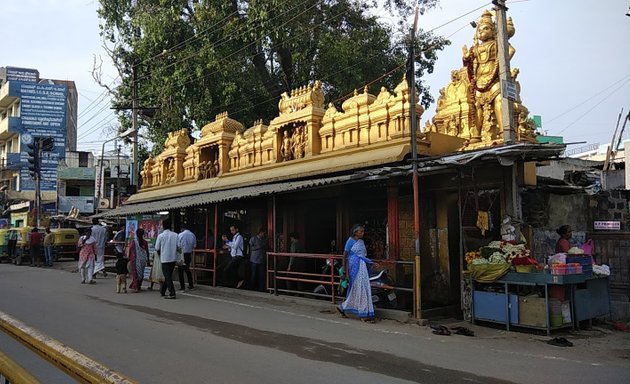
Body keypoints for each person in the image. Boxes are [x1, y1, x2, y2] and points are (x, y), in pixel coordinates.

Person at [337, 224, 376, 323]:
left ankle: (343, 307)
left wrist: (370, 263)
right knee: (359, 288)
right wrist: (345, 270)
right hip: (354, 267)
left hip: (362, 267)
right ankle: (363, 314)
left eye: (363, 231)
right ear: (355, 232)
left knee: (362, 288)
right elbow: (345, 256)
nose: (363, 233)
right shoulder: (350, 241)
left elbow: (362, 256)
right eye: (361, 231)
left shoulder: (361, 242)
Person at [155, 220, 179, 299]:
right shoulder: (175, 235)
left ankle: (172, 292)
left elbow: (157, 247)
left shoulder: (161, 236)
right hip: (173, 258)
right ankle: (163, 291)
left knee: (167, 276)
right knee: (168, 275)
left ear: (163, 226)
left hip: (164, 258)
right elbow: (179, 246)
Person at [127, 228, 149, 292]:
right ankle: (139, 286)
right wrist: (148, 260)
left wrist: (128, 257)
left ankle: (136, 287)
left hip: (135, 259)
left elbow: (130, 249)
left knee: (135, 273)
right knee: (141, 273)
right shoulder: (145, 242)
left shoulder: (134, 242)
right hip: (143, 259)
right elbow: (147, 251)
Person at [177, 224, 197, 291]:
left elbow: (178, 245)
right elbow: (194, 245)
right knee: (187, 270)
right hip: (189, 254)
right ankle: (191, 285)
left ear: (183, 228)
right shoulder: (193, 235)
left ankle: (182, 286)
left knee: (180, 270)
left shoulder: (180, 235)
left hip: (182, 254)